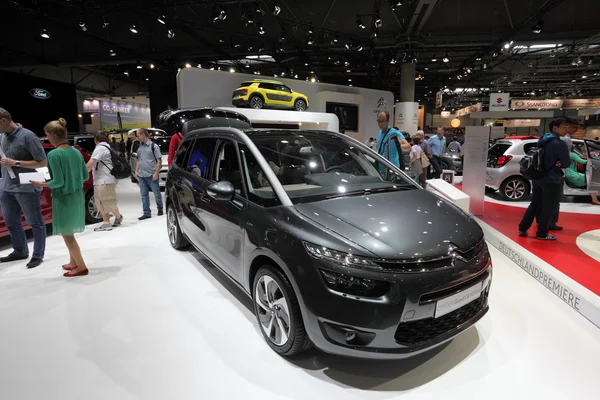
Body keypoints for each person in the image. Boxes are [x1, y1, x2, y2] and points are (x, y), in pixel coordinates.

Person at [30, 119, 89, 277]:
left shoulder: (55, 154)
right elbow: (84, 175)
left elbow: (58, 182)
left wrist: (41, 184)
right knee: (69, 232)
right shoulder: (76, 151)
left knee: (67, 234)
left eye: (47, 135)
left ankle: (81, 266)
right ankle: (73, 262)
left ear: (53, 135)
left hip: (63, 198)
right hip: (76, 195)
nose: (47, 137)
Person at [0, 108, 47, 269]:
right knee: (11, 221)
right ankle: (20, 251)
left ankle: (38, 255)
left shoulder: (28, 136)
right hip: (6, 186)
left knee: (35, 222)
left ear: (3, 120)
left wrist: (16, 163)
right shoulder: (2, 137)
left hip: (26, 186)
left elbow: (41, 162)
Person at [518, 117, 571, 240]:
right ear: (555, 128)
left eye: (567, 127)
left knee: (535, 204)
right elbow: (567, 162)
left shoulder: (543, 139)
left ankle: (522, 228)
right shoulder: (559, 143)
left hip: (538, 176)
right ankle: (542, 233)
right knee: (548, 207)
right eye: (564, 127)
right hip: (551, 179)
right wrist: (560, 163)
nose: (566, 130)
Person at [86, 132, 123, 231]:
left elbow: (90, 164)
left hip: (103, 179)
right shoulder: (108, 147)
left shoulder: (100, 148)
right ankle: (116, 218)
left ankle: (108, 222)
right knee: (105, 201)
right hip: (105, 179)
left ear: (96, 140)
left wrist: (81, 175)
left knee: (104, 201)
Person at [548, 118, 579, 230]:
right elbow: (565, 160)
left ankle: (541, 222)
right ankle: (550, 224)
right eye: (567, 127)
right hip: (557, 173)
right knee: (555, 200)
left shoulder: (546, 138)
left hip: (546, 173)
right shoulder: (564, 141)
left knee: (540, 200)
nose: (572, 129)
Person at [134, 128, 163, 220]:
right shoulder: (140, 147)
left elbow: (159, 161)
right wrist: (136, 170)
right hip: (142, 175)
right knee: (144, 195)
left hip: (151, 174)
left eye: (138, 135)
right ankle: (146, 213)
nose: (137, 137)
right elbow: (139, 159)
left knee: (156, 193)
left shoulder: (154, 146)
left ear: (143, 134)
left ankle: (160, 208)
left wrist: (156, 173)